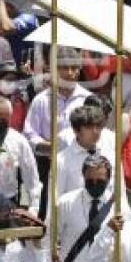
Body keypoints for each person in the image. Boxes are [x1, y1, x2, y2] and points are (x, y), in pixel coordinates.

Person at [23, 47, 91, 218]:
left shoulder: (87, 100)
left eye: (74, 68)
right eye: (64, 68)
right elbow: (29, 132)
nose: (69, 73)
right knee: (50, 213)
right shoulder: (42, 100)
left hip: (81, 165)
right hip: (49, 165)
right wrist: (48, 148)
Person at [53, 154, 115, 262]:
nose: (95, 184)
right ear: (83, 177)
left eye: (100, 180)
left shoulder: (118, 206)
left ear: (109, 179)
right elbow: (53, 234)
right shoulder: (66, 202)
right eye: (90, 180)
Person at [0, 97, 41, 214]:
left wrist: (34, 208)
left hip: (8, 202)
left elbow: (31, 176)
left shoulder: (18, 141)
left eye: (3, 119)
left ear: (9, 118)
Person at [55, 105, 117, 199]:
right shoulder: (61, 160)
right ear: (76, 130)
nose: (95, 132)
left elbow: (120, 194)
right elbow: (55, 199)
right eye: (89, 127)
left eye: (98, 126)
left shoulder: (111, 155)